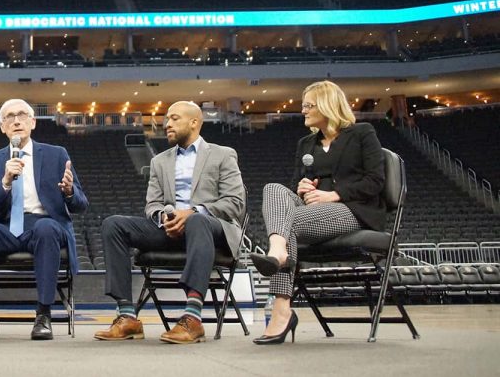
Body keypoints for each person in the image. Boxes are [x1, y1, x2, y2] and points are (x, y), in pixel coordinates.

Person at [94, 101, 245, 344]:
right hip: (171, 230)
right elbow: (151, 205)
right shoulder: (159, 161)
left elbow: (235, 203)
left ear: (194, 122)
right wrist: (163, 217)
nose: (167, 124)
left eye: (174, 118)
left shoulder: (222, 154)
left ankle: (192, 318)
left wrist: (195, 211)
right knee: (113, 224)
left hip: (211, 230)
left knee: (197, 220)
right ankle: (127, 316)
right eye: (167, 120)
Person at [250, 80, 385, 345]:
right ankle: (279, 250)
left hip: (352, 212)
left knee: (289, 223)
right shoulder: (306, 144)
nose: (303, 111)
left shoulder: (362, 133)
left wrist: (334, 194)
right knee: (273, 189)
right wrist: (301, 189)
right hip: (312, 213)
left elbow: (375, 181)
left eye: (309, 105)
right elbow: (293, 188)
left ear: (327, 105)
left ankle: (281, 310)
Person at [0, 98, 89, 340]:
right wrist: (5, 182)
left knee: (45, 228)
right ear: (2, 127)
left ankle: (43, 315)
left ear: (33, 122)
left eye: (22, 115)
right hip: (8, 228)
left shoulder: (56, 154)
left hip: (45, 226)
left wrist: (69, 191)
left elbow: (81, 205)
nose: (16, 120)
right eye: (9, 117)